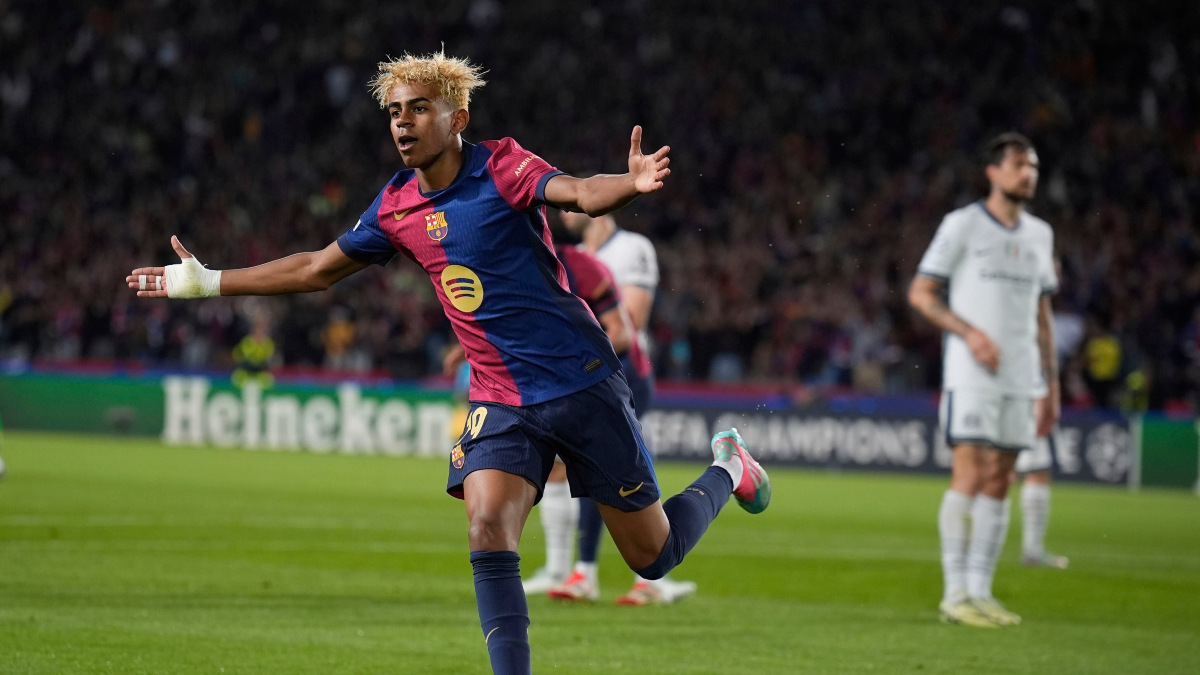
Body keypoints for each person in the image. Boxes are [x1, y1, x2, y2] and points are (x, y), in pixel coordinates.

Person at [125, 52, 771, 674]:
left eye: (418, 108)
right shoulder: (396, 204)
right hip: (499, 400)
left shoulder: (503, 168)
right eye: (395, 111)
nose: (402, 122)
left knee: (652, 555)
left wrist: (627, 185)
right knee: (487, 522)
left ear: (457, 118)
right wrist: (207, 282)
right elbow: (316, 269)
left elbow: (576, 191)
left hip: (581, 382)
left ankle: (728, 465)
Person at [908, 132, 1059, 628]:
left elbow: (1042, 315)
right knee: (970, 475)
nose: (1028, 173)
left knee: (1001, 480)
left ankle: (980, 590)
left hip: (1022, 377)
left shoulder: (1040, 235)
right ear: (993, 172)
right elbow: (922, 292)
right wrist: (969, 334)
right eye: (1019, 163)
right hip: (971, 375)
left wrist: (1050, 385)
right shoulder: (964, 225)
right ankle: (954, 594)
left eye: (1033, 165)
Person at [535, 212, 694, 605]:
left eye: (574, 202)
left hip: (622, 371)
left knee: (620, 466)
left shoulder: (631, 249)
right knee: (574, 467)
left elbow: (631, 319)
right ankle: (577, 571)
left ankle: (649, 578)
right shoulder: (564, 255)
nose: (565, 210)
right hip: (582, 376)